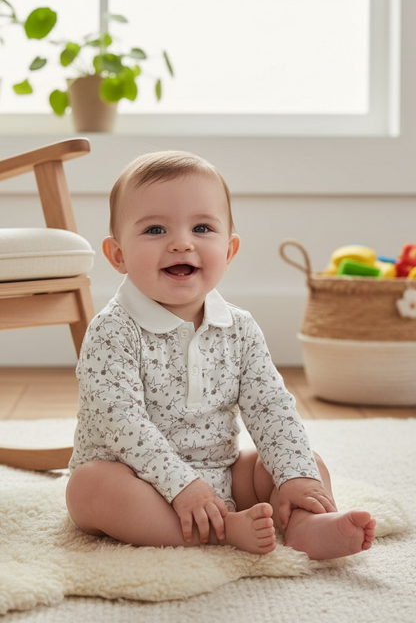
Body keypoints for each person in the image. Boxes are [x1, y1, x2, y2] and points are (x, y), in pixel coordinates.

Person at [66, 151, 376, 560]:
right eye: (155, 229)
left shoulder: (239, 327)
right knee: (89, 488)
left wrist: (296, 478)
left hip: (223, 474)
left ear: (229, 251)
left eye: (202, 227)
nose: (181, 242)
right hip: (138, 478)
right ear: (118, 254)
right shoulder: (113, 330)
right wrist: (181, 486)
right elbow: (123, 425)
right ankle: (221, 531)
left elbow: (269, 407)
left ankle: (305, 523)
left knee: (298, 461)